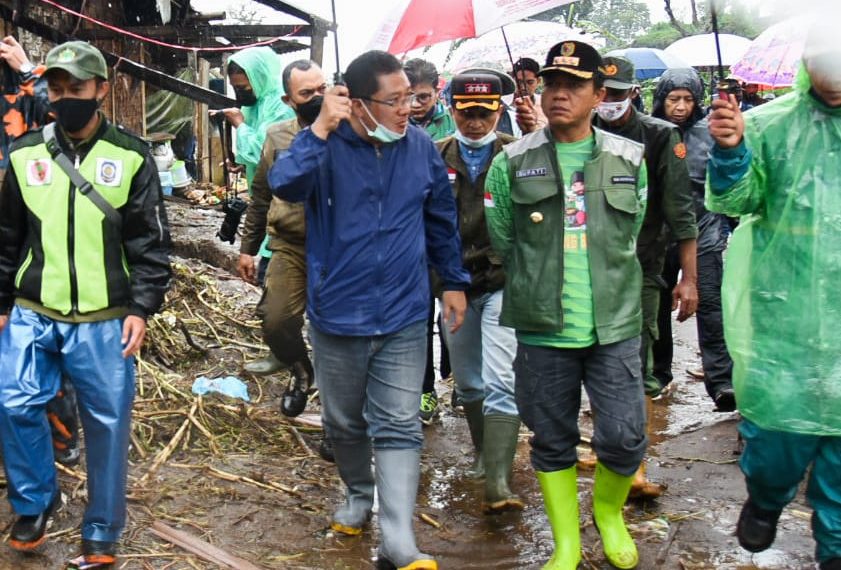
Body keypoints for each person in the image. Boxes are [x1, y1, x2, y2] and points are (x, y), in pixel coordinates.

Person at [267, 50, 469, 570]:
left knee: (399, 423)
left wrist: (451, 282)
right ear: (356, 104)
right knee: (344, 423)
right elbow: (284, 184)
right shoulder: (324, 146)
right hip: (338, 312)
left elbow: (440, 219)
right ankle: (359, 493)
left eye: (412, 98)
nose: (409, 109)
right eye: (394, 100)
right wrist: (318, 129)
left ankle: (399, 539)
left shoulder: (419, 147)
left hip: (403, 311)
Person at [0, 41, 171, 566]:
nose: (65, 98)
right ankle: (34, 501)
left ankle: (101, 528)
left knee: (108, 421)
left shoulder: (132, 156)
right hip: (34, 306)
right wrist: (3, 300)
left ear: (101, 89)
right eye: (56, 88)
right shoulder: (25, 154)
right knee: (15, 402)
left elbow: (150, 243)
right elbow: (8, 236)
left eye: (76, 88)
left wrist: (141, 306)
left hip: (104, 318)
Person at [485, 41, 648, 570]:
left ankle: (608, 514)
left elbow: (633, 233)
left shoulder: (630, 159)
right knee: (551, 438)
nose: (558, 94)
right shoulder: (512, 162)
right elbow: (505, 238)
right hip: (542, 325)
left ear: (599, 94)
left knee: (623, 437)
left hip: (614, 324)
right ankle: (566, 543)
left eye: (574, 85)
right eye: (551, 83)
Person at [706, 18, 841, 570]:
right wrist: (732, 150)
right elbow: (735, 200)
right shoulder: (768, 125)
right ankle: (767, 497)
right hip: (783, 317)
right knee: (777, 445)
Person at [593, 56, 698, 499]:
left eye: (618, 95)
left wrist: (689, 277)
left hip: (640, 267)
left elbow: (681, 211)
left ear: (633, 94)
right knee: (588, 363)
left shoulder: (659, 137)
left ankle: (632, 465)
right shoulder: (576, 133)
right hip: (584, 267)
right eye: (603, 94)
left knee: (633, 364)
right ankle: (605, 449)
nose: (609, 103)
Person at [435, 72, 520, 513]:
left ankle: (499, 476)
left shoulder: (519, 153)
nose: (474, 122)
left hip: (504, 281)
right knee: (468, 381)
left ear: (499, 111)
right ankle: (483, 451)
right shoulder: (434, 157)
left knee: (502, 377)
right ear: (452, 111)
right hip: (454, 285)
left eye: (484, 113)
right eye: (466, 113)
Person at [0, 34, 81, 466]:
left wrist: (29, 69)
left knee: (38, 346)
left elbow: (63, 117)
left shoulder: (25, 91)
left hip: (26, 236)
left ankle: (60, 438)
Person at [238, 60, 325, 420]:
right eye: (307, 93)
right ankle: (301, 370)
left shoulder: (350, 132)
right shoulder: (277, 136)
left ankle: (339, 416)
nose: (317, 98)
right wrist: (247, 248)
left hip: (337, 248)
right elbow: (261, 196)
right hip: (290, 244)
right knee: (276, 320)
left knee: (334, 331)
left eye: (323, 89)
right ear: (290, 99)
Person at [651, 67, 736, 412]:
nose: (681, 106)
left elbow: (727, 180)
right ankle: (658, 374)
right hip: (659, 236)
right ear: (661, 101)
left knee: (710, 305)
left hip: (705, 231)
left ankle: (722, 382)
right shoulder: (650, 133)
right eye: (674, 99)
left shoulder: (710, 133)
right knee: (656, 308)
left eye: (688, 99)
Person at [221, 46, 294, 375]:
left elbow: (265, 151)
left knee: (277, 288)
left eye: (244, 87)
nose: (240, 93)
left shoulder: (279, 106)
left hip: (285, 209)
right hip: (264, 202)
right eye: (236, 87)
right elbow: (254, 159)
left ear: (261, 79)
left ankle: (289, 357)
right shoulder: (259, 105)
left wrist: (238, 125)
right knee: (270, 285)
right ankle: (284, 352)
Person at [403, 58, 454, 424]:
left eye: (424, 96)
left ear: (438, 90)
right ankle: (425, 392)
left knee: (454, 317)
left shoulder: (457, 121)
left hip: (453, 233)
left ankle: (459, 381)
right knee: (419, 320)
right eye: (409, 96)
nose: (417, 104)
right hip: (411, 239)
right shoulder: (394, 125)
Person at [508, 57, 548, 133]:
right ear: (512, 79)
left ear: (538, 81)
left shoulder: (546, 105)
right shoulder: (504, 105)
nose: (523, 88)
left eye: (530, 82)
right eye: (519, 82)